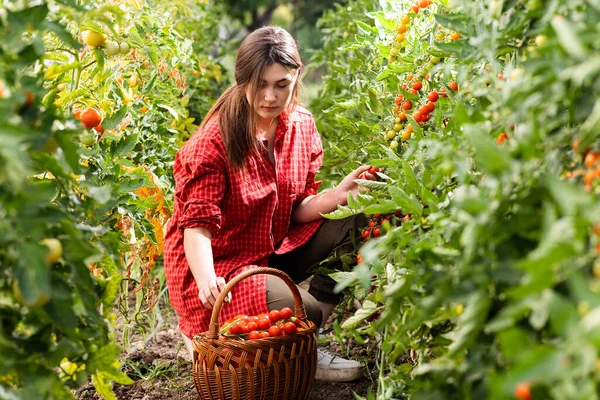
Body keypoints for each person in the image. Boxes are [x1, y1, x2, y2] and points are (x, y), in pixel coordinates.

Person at [163, 26, 370, 383]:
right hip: (221, 261)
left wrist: (336, 197)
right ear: (242, 80)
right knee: (301, 311)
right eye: (260, 84)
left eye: (281, 84)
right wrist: (206, 279)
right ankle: (214, 339)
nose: (271, 96)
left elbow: (296, 207)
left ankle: (303, 346)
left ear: (296, 77)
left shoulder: (301, 126)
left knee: (359, 222)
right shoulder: (214, 142)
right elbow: (196, 227)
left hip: (271, 245)